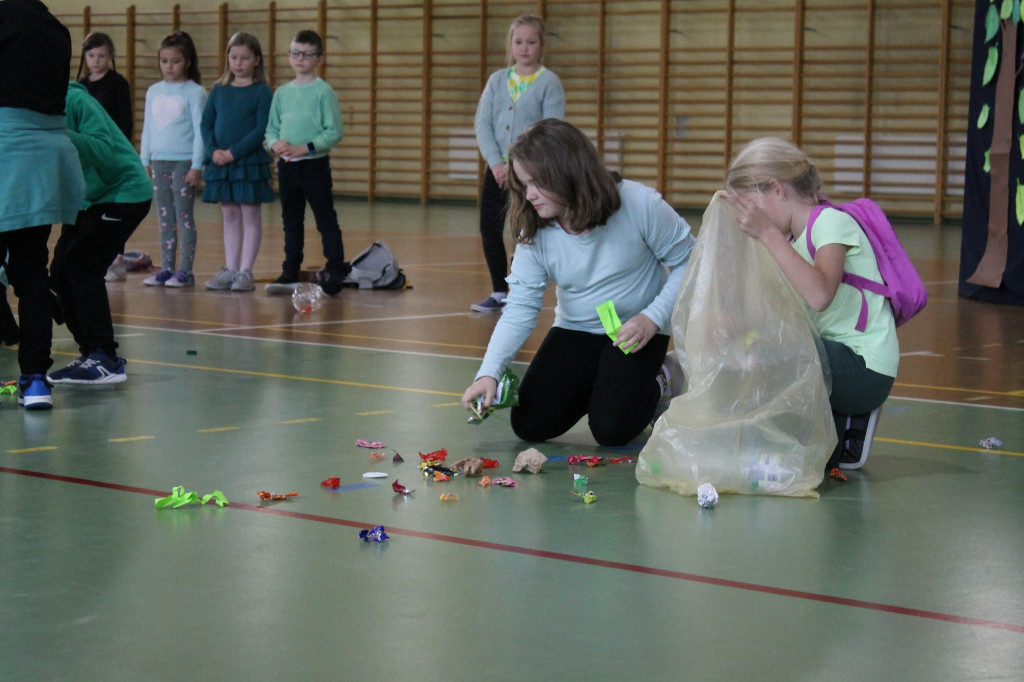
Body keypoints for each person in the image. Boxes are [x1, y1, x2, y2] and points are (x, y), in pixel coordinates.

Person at [460, 120, 694, 446]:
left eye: (536, 184)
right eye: (523, 185)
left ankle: (664, 376)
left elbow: (691, 262)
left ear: (566, 172)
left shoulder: (640, 204)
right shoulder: (534, 230)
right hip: (577, 328)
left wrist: (653, 317)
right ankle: (609, 384)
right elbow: (520, 310)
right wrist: (489, 373)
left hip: (637, 329)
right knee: (530, 424)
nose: (529, 196)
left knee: (612, 429)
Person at [723, 138, 899, 470]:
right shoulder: (790, 242)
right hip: (824, 361)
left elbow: (819, 295)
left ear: (776, 189)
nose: (747, 218)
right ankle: (843, 424)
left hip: (863, 367)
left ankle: (852, 410)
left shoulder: (831, 223)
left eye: (750, 204)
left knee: (771, 353)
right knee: (809, 463)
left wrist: (769, 236)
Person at [0, 0, 86, 410]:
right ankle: (35, 380)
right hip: (45, 156)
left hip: (6, 151)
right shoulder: (56, 27)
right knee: (30, 270)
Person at [47, 82, 152, 385]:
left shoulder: (76, 100)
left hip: (123, 192)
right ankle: (92, 354)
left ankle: (105, 356)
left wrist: (61, 135)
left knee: (82, 264)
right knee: (60, 272)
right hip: (87, 199)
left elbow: (104, 152)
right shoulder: (27, 112)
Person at [471, 14, 564, 313]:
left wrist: (523, 167)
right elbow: (483, 124)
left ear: (542, 45)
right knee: (490, 227)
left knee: (524, 231)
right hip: (496, 171)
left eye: (531, 42)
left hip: (531, 174)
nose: (524, 48)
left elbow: (551, 128)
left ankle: (519, 290)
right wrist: (497, 164)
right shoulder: (497, 80)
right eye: (518, 41)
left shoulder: (549, 82)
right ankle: (499, 290)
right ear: (511, 44)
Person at [264, 29, 347, 295]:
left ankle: (335, 269)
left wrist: (305, 148)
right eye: (295, 53)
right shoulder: (282, 93)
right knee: (291, 220)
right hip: (287, 166)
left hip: (314, 167)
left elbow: (333, 131)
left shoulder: (324, 92)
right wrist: (275, 143)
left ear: (319, 59)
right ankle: (290, 271)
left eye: (307, 54)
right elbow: (271, 128)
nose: (300, 58)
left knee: (325, 220)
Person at [200, 31, 274, 293]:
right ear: (227, 59)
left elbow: (261, 127)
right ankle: (230, 269)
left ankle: (245, 271)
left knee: (250, 214)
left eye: (245, 58)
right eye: (234, 57)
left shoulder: (262, 91)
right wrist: (213, 151)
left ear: (256, 60)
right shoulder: (219, 90)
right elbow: (206, 123)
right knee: (229, 214)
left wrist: (234, 152)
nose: (238, 62)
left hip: (247, 162)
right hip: (220, 163)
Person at [139, 31, 206, 288]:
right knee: (164, 217)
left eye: (175, 61)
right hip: (159, 162)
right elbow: (148, 127)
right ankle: (166, 268)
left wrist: (197, 165)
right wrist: (144, 159)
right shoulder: (154, 91)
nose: (169, 66)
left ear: (187, 61)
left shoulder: (195, 92)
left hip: (184, 163)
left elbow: (201, 131)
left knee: (184, 216)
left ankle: (185, 270)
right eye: (164, 61)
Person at [75, 32, 136, 283]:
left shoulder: (117, 83)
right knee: (89, 207)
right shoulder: (81, 86)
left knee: (113, 207)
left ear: (110, 56)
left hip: (110, 155)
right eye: (91, 55)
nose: (96, 60)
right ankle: (92, 256)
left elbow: (125, 122)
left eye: (101, 55)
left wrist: (117, 153)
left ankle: (117, 259)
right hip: (87, 157)